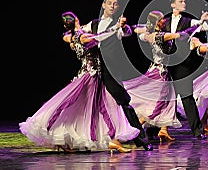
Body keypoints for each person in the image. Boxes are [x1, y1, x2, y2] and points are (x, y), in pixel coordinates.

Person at [19, 11, 141, 153]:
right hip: (90, 76)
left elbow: (69, 36)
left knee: (86, 109)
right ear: (76, 19)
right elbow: (99, 37)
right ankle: (67, 137)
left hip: (93, 74)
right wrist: (115, 28)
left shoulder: (72, 36)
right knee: (86, 108)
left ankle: (111, 140)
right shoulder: (81, 37)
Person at [81, 0, 153, 150]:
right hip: (93, 69)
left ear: (118, 8)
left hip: (110, 70)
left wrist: (123, 26)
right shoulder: (93, 24)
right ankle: (78, 139)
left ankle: (142, 140)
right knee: (84, 102)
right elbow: (79, 34)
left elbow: (126, 32)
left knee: (123, 102)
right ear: (104, 5)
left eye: (115, 4)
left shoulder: (118, 24)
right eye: (110, 3)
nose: (112, 6)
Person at [124, 10, 200, 141]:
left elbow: (138, 30)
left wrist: (140, 29)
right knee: (157, 105)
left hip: (160, 71)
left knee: (162, 104)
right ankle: (131, 132)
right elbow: (180, 34)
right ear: (158, 22)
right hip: (159, 73)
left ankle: (160, 130)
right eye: (162, 19)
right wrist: (196, 25)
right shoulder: (160, 36)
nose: (165, 20)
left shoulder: (151, 34)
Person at [162, 0, 208, 139]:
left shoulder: (189, 21)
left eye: (184, 1)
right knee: (163, 97)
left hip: (182, 64)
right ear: (173, 5)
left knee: (187, 97)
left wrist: (206, 20)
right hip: (166, 64)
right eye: (180, 1)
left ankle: (197, 131)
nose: (184, 3)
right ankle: (157, 130)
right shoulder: (165, 22)